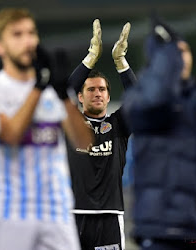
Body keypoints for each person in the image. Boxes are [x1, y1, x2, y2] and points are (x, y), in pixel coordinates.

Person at [0, 8, 93, 250]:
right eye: (17, 34)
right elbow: (10, 136)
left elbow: (85, 143)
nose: (27, 42)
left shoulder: (54, 88)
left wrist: (62, 95)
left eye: (31, 33)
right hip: (10, 212)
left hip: (57, 210)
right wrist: (39, 87)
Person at [122, 15, 196, 250]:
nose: (180, 58)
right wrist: (166, 59)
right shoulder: (138, 98)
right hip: (162, 232)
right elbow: (154, 103)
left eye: (184, 50)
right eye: (174, 52)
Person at [66, 19, 136, 250]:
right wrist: (90, 57)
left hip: (109, 217)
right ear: (80, 96)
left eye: (102, 89)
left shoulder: (118, 126)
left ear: (108, 96)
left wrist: (121, 62)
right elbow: (61, 95)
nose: (97, 93)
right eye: (91, 89)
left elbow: (139, 101)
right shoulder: (71, 122)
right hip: (73, 216)